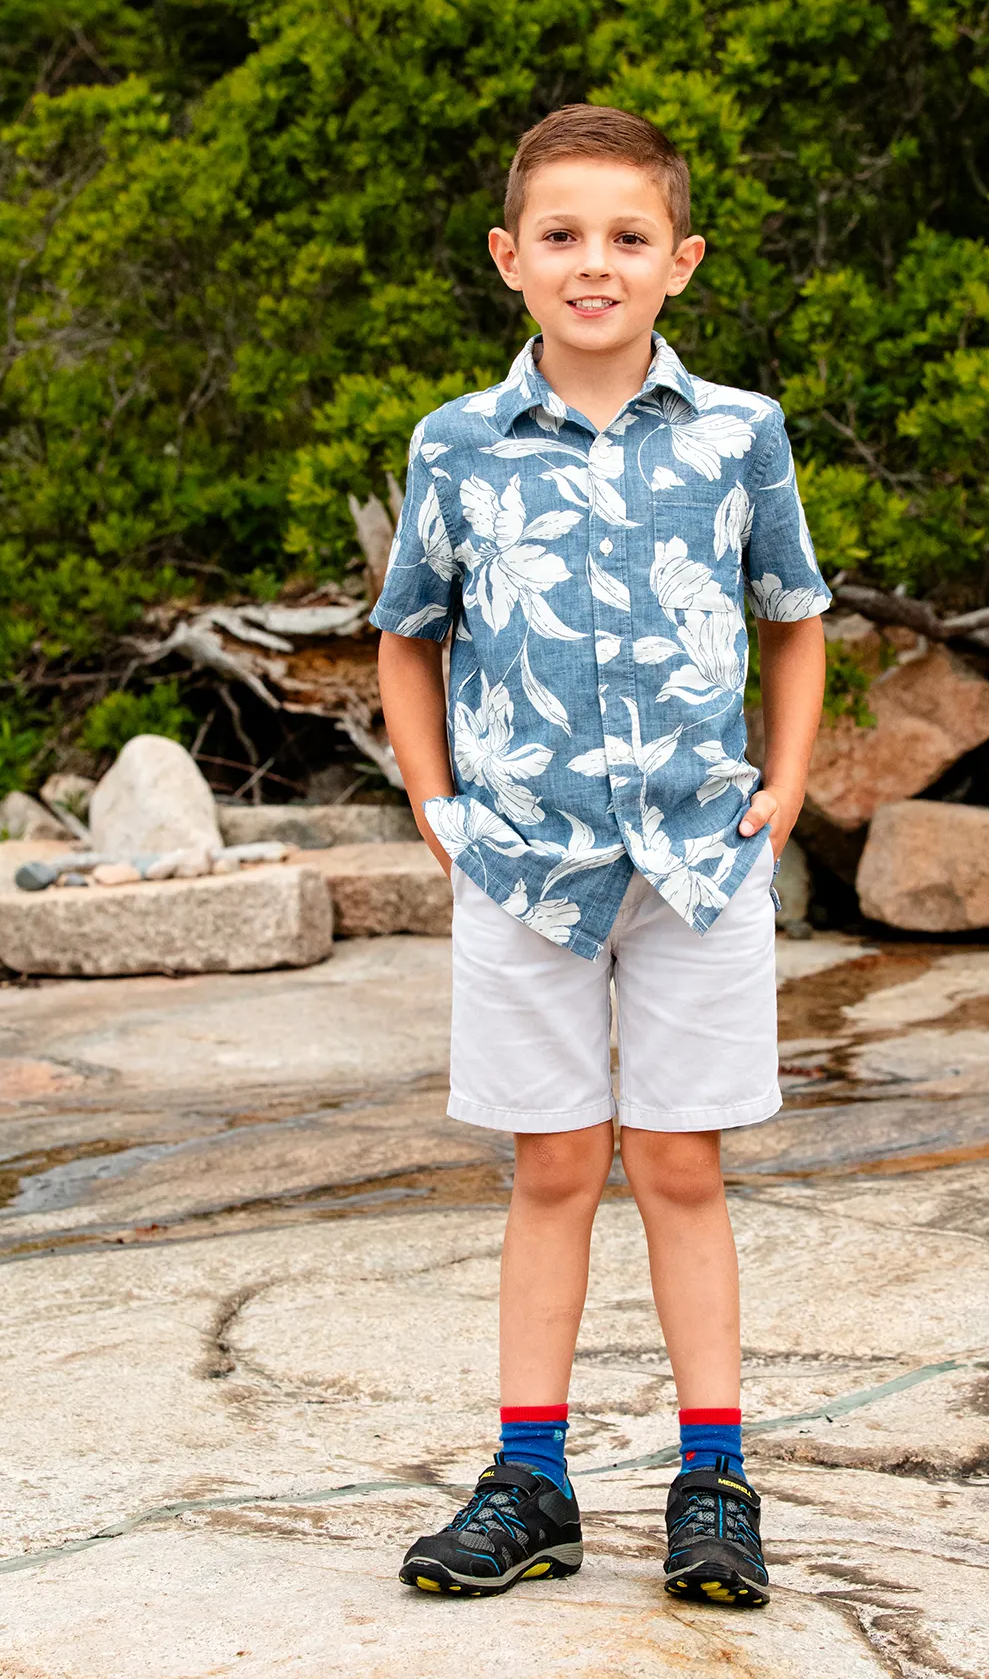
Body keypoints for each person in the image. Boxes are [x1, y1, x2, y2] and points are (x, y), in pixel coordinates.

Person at [374, 104, 829, 1608]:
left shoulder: (738, 434)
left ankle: (714, 1481)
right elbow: (406, 638)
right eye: (561, 236)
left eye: (627, 238)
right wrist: (440, 808)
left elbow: (795, 613)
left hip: (699, 861)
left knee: (683, 1166)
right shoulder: (457, 445)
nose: (594, 264)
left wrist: (788, 781)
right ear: (511, 259)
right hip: (524, 868)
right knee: (555, 1163)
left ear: (678, 262)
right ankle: (532, 1481)